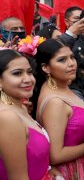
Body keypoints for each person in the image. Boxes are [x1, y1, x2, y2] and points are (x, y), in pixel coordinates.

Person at [35, 39, 84, 179]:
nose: (71, 63)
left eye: (72, 57)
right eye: (62, 60)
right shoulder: (55, 102)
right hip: (70, 171)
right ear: (46, 68)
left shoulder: (63, 88)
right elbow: (56, 155)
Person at [0, 50, 52, 180]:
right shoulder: (7, 117)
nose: (28, 79)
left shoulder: (21, 107)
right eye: (17, 73)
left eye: (29, 72)